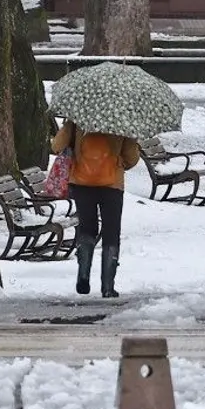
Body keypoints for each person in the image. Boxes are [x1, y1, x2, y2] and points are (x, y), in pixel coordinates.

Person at [50, 121, 140, 298]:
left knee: (87, 229)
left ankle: (83, 274)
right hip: (112, 184)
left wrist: (71, 133)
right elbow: (132, 158)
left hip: (82, 183)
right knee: (111, 232)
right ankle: (108, 286)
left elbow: (56, 146)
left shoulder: (77, 118)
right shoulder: (122, 120)